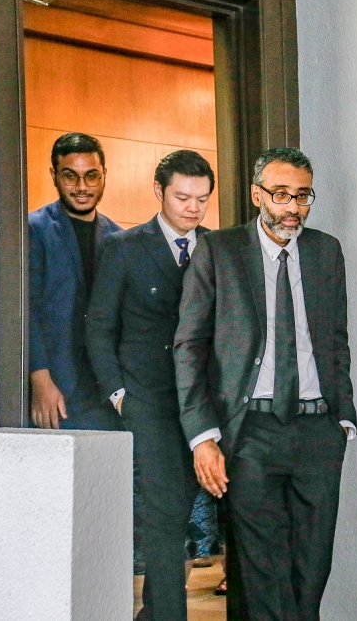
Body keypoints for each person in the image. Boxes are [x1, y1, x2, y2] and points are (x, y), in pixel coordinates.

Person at [175, 146, 356, 621]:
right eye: (280, 194)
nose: (292, 207)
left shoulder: (326, 252)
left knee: (310, 572)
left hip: (317, 431)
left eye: (302, 196)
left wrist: (343, 418)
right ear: (257, 195)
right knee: (261, 575)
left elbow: (336, 340)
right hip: (249, 432)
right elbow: (189, 345)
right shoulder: (219, 250)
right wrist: (203, 436)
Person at [85, 149, 214, 621]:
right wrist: (119, 394)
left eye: (202, 199)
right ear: (159, 191)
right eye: (182, 196)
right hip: (149, 400)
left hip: (204, 403)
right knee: (164, 513)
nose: (192, 208)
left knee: (185, 510)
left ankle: (155, 615)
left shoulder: (217, 248)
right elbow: (99, 326)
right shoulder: (124, 247)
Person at [29, 132, 122, 431]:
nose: (82, 187)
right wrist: (40, 380)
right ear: (54, 175)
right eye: (71, 176)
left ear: (104, 175)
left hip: (106, 391)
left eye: (91, 176)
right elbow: (26, 311)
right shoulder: (34, 229)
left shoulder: (119, 239)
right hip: (57, 389)